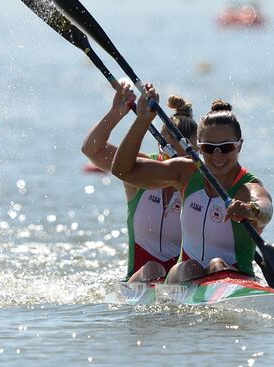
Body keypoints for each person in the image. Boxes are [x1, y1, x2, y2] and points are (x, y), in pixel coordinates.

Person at [111, 83, 273, 283]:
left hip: (233, 278)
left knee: (217, 264)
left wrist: (251, 210)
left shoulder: (247, 187)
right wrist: (142, 121)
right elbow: (122, 170)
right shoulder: (186, 173)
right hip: (184, 275)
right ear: (198, 147)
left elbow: (265, 209)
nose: (217, 155)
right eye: (208, 147)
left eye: (226, 147)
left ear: (239, 146)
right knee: (188, 267)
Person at [81, 81, 198, 282]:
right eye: (173, 154)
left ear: (198, 150)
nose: (180, 165)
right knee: (152, 269)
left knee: (191, 267)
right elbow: (92, 150)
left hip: (182, 277)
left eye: (187, 155)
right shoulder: (136, 170)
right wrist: (116, 113)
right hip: (142, 278)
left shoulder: (204, 180)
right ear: (161, 145)